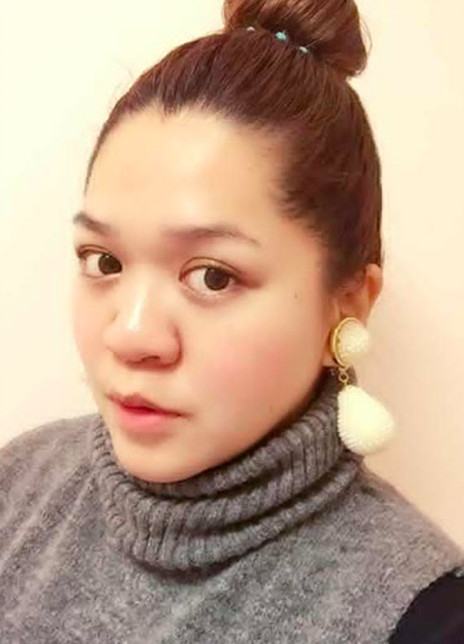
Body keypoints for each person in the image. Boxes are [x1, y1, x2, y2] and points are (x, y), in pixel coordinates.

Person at [1, 0, 463, 641]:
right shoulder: (20, 481)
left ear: (349, 301)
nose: (130, 335)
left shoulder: (424, 617)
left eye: (212, 276)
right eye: (104, 261)